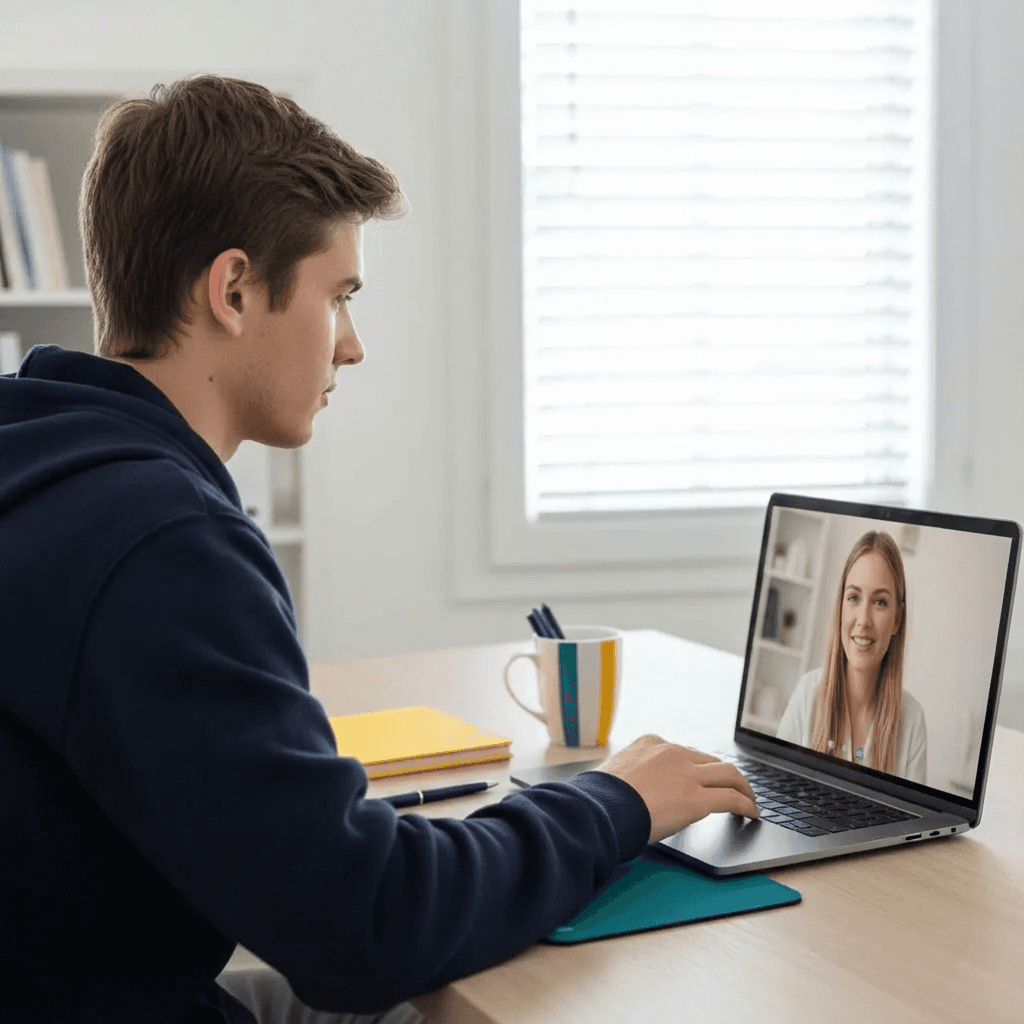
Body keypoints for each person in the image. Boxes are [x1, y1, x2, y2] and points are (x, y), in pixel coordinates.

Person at [0, 75, 760, 1024]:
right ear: (234, 289)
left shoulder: (41, 457)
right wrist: (615, 804)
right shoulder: (161, 541)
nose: (351, 346)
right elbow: (369, 928)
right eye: (339, 296)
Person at [776, 530, 927, 784]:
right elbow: (776, 793)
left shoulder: (912, 721)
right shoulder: (807, 694)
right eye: (854, 598)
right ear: (840, 608)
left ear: (897, 619)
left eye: (879, 602)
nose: (864, 620)